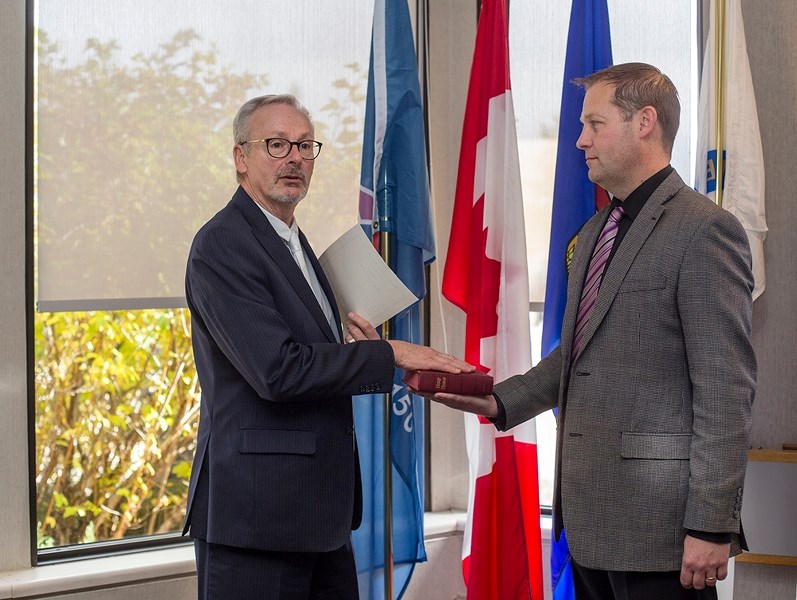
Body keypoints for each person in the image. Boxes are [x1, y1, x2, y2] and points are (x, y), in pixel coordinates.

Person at [425, 63, 756, 600]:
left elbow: (726, 389)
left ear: (644, 122)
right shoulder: (594, 232)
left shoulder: (705, 231)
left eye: (594, 124)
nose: (579, 140)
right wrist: (496, 402)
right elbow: (574, 356)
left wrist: (712, 524)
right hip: (588, 527)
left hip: (664, 536)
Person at [183, 93, 472, 600]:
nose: (294, 158)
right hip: (258, 523)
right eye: (275, 144)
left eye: (303, 146)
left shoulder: (296, 243)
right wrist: (392, 354)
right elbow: (278, 370)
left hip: (320, 517)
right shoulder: (223, 243)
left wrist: (357, 347)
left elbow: (305, 354)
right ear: (240, 157)